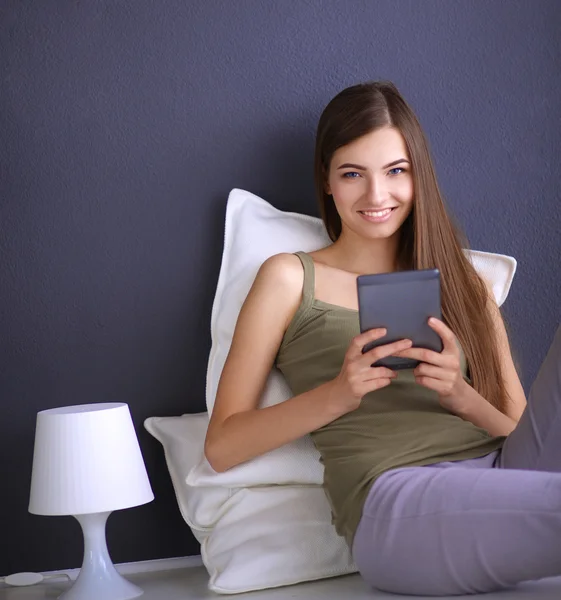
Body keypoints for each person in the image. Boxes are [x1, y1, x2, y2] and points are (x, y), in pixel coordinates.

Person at [204, 80, 561, 596]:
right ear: (327, 181)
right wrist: (337, 394)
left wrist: (459, 394)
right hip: (399, 502)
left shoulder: (466, 285)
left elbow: (517, 429)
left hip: (505, 470)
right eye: (353, 174)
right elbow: (222, 447)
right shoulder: (288, 278)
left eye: (396, 171)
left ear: (419, 176)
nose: (377, 195)